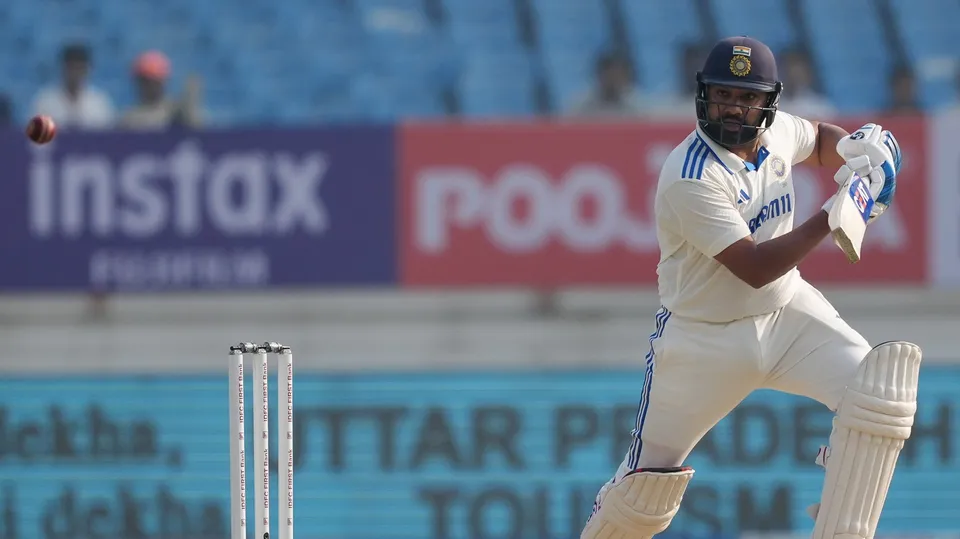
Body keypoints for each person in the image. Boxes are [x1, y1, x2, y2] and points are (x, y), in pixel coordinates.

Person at [580, 36, 920, 539]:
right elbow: (754, 267)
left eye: (746, 98)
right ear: (703, 96)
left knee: (878, 397)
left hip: (787, 315)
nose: (733, 108)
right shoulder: (690, 174)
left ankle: (841, 527)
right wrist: (835, 213)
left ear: (768, 102)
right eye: (722, 95)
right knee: (640, 492)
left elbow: (819, 138)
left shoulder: (779, 130)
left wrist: (853, 151)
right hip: (702, 341)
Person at [30, 43, 115, 129]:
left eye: (79, 68)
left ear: (87, 70)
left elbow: (107, 138)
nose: (75, 73)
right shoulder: (45, 102)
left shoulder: (99, 102)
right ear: (63, 68)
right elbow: (35, 136)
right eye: (72, 68)